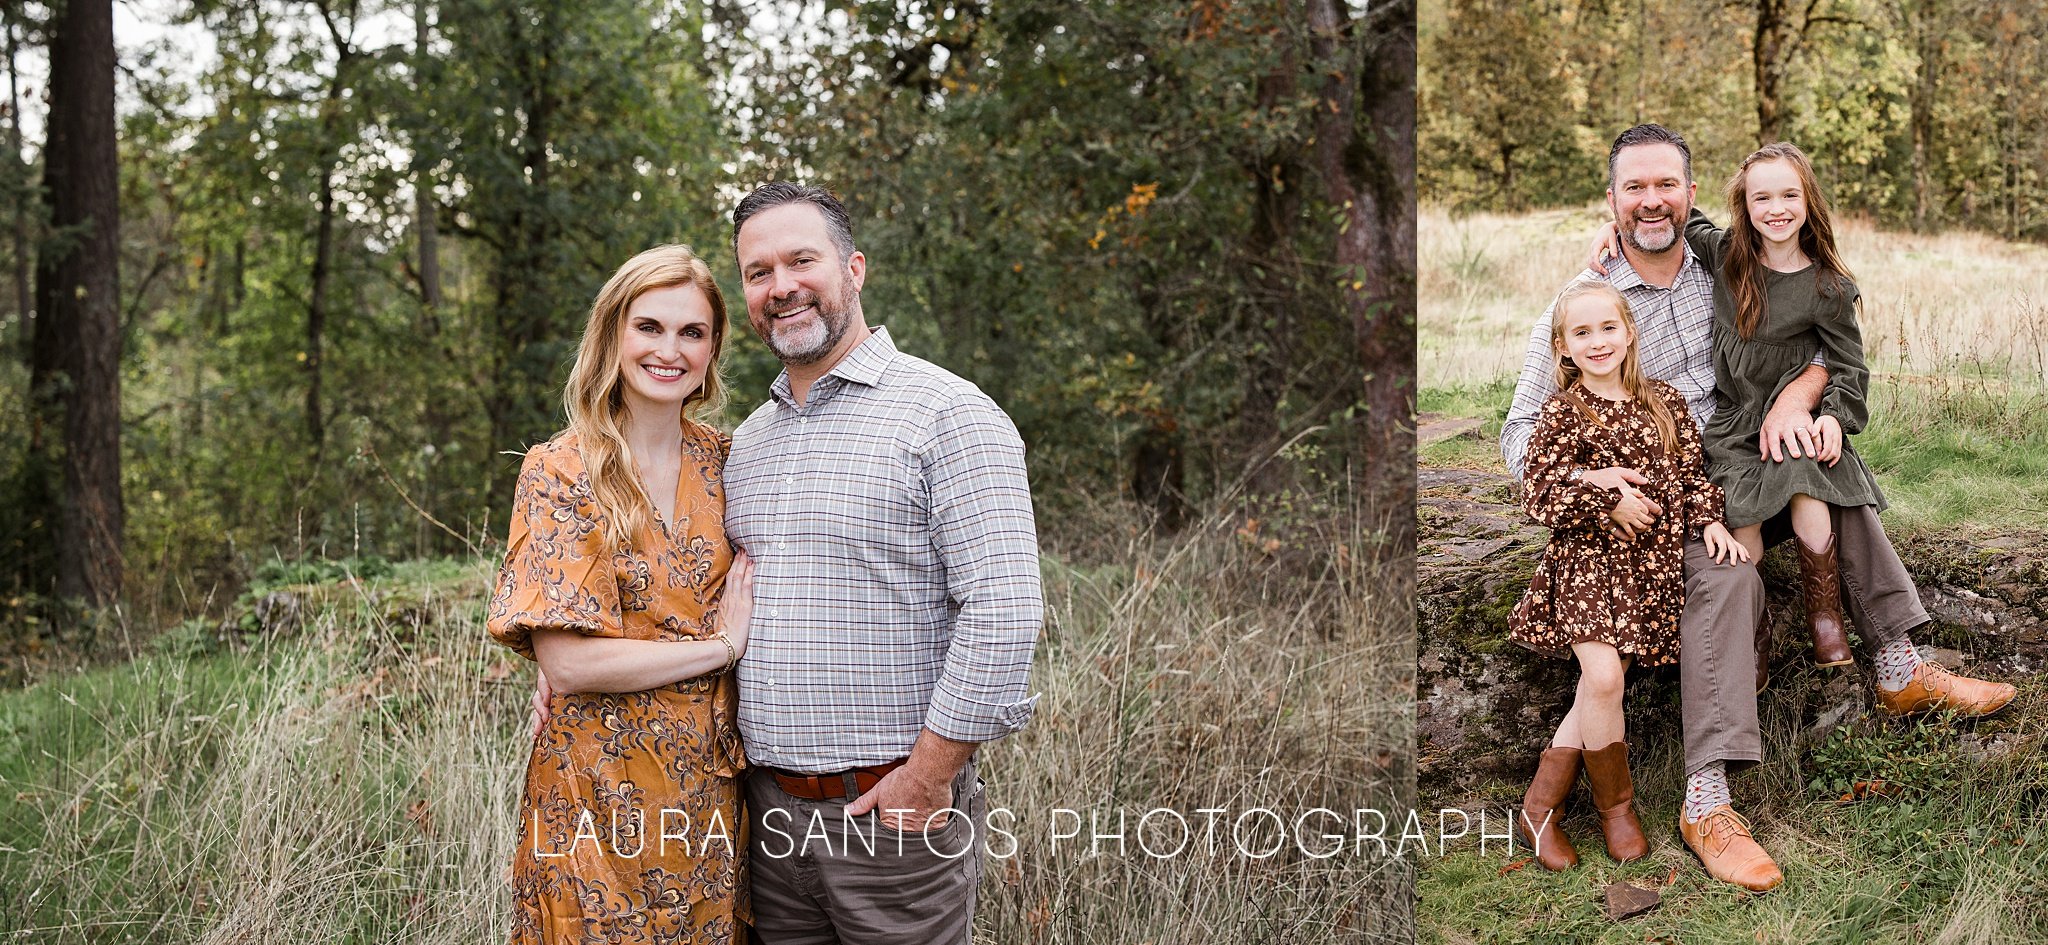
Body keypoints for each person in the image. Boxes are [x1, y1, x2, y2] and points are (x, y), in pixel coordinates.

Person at [1502, 124, 2016, 893]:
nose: (1651, 201)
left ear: (1693, 195)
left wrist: (1806, 396)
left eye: (1665, 185)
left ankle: (1900, 661)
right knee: (1730, 579)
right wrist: (1602, 484)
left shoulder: (1727, 258)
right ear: (1611, 200)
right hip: (1675, 497)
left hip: (1744, 457)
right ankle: (1708, 798)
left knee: (1825, 458)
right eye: (1633, 187)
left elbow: (1812, 328)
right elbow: (1521, 434)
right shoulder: (1589, 303)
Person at [722, 182, 1042, 943]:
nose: (782, 287)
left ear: (854, 268)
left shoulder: (946, 412)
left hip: (893, 819)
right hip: (766, 821)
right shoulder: (748, 442)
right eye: (758, 271)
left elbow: (1005, 609)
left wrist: (928, 778)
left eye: (802, 260)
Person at [487, 245, 757, 943]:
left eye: (691, 332)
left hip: (708, 794)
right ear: (612, 335)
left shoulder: (729, 461)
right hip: (593, 793)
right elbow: (570, 665)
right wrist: (720, 648)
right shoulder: (561, 469)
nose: (670, 349)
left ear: (712, 350)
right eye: (650, 327)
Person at [1509, 280, 1747, 872]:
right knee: (1606, 678)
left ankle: (1540, 807)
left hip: (1650, 569)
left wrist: (1711, 522)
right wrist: (1604, 494)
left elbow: (1692, 477)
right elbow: (1539, 494)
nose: (1597, 342)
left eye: (1607, 328)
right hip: (1588, 567)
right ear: (1562, 347)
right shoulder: (1563, 413)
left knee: (1597, 690)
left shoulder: (1665, 401)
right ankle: (1618, 809)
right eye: (1581, 333)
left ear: (1629, 331)